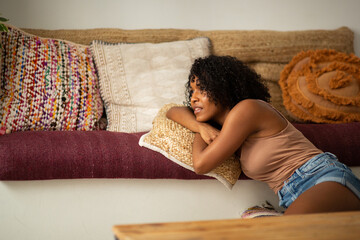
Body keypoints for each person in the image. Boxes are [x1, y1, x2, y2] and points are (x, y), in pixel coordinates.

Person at [166, 55, 360, 215]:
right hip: (291, 195)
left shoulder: (247, 109)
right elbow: (172, 111)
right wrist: (201, 127)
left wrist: (200, 125)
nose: (194, 97)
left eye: (202, 89)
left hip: (321, 178)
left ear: (223, 89)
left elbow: (201, 164)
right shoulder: (225, 127)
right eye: (192, 91)